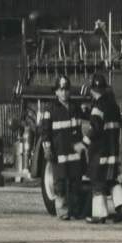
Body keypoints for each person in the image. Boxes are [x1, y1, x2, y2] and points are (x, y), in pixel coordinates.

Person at [84, 72, 122, 224]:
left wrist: (84, 143)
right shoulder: (114, 106)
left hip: (99, 152)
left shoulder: (97, 107)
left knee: (98, 183)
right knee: (112, 180)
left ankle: (99, 214)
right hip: (112, 152)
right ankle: (121, 207)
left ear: (92, 90)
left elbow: (94, 128)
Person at [39, 74, 84, 220]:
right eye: (61, 89)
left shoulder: (75, 108)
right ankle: (63, 212)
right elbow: (45, 132)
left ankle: (76, 211)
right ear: (56, 92)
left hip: (74, 154)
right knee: (60, 184)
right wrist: (47, 148)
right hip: (59, 154)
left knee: (75, 184)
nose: (64, 92)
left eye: (66, 89)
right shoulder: (50, 110)